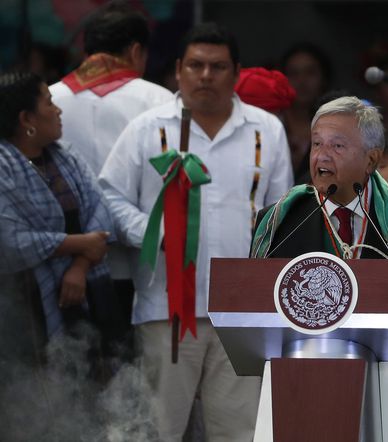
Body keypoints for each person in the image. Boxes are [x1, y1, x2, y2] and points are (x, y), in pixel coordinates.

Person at [98, 23, 293, 441]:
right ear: (178, 70)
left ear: (236, 71)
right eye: (196, 65)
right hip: (166, 306)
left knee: (239, 430)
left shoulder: (265, 130)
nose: (206, 76)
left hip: (243, 311)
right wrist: (152, 233)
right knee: (159, 428)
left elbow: (282, 216)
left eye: (218, 66)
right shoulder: (148, 128)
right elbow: (109, 195)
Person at [251, 96, 388, 438]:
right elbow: (253, 310)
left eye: (337, 145)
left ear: (372, 159)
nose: (322, 156)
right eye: (317, 144)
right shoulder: (279, 221)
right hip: (298, 394)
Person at [49, 3, 173, 351]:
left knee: (73, 379)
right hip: (144, 273)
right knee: (136, 386)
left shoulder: (48, 99)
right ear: (136, 51)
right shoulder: (161, 102)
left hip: (63, 269)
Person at [0, 71, 113, 362]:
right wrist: (80, 244)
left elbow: (101, 210)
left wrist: (80, 266)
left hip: (84, 290)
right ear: (27, 119)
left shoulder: (65, 156)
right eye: (49, 103)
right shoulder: (4, 167)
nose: (58, 110)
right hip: (26, 302)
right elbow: (10, 242)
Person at [281, 43, 333, 184]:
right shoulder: (273, 122)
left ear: (324, 78)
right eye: (294, 73)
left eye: (310, 72)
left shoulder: (337, 124)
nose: (302, 81)